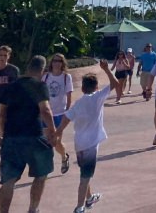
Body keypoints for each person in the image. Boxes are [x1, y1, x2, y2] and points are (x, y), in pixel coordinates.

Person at [0, 55, 58, 213]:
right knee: (42, 173)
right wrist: (52, 131)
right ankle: (33, 209)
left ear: (28, 67)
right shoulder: (39, 86)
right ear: (42, 71)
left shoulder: (11, 86)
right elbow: (45, 110)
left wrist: (3, 134)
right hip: (33, 136)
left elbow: (2, 114)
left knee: (8, 180)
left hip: (11, 137)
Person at [56, 59, 116, 213]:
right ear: (96, 87)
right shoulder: (97, 97)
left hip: (79, 144)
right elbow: (115, 84)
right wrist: (107, 70)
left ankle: (89, 199)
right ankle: (79, 207)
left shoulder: (78, 103)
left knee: (85, 173)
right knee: (85, 178)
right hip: (91, 145)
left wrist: (58, 133)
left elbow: (66, 118)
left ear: (82, 88)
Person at [43, 53, 73, 174]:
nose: (57, 63)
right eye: (55, 61)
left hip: (60, 113)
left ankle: (64, 156)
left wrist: (67, 112)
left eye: (59, 61)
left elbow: (69, 96)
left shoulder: (66, 77)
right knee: (47, 139)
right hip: (47, 113)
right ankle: (46, 165)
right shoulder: (45, 77)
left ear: (63, 63)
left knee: (56, 141)